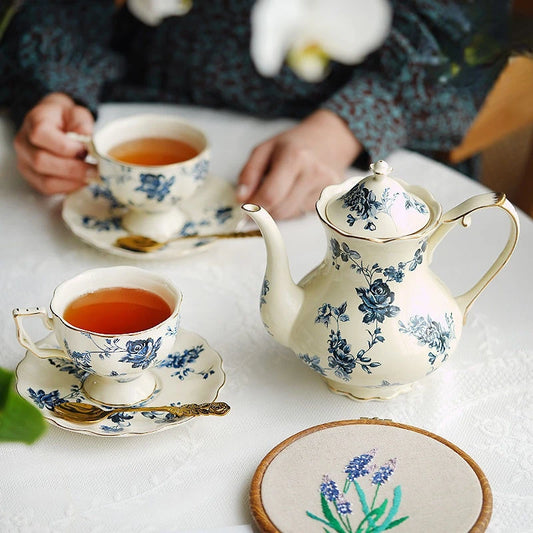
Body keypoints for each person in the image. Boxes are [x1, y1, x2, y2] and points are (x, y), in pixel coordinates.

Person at [0, 0, 510, 220]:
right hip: (146, 97)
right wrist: (56, 88)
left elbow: (466, 28)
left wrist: (349, 124)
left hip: (340, 143)